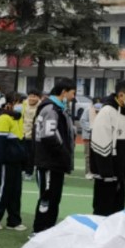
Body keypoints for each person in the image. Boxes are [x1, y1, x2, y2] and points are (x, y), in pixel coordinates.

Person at [31, 80, 77, 233]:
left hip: (55, 161)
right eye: (72, 93)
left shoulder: (60, 108)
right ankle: (39, 230)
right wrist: (64, 152)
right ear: (64, 92)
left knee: (54, 197)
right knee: (47, 197)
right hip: (49, 161)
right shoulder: (51, 108)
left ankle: (49, 229)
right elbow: (49, 135)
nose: (73, 97)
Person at [90, 82, 125, 216]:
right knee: (103, 209)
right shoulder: (107, 111)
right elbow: (100, 141)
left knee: (118, 209)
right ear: (121, 95)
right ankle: (99, 236)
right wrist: (106, 171)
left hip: (120, 172)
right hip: (107, 173)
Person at [0, 97, 28, 231]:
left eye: (22, 102)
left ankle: (14, 221)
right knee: (3, 191)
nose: (21, 105)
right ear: (10, 104)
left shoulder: (18, 118)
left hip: (16, 161)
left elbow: (21, 141)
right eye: (18, 102)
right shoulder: (3, 118)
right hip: (6, 162)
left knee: (16, 192)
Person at [20, 90, 41, 180]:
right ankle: (22, 170)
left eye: (34, 96)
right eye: (30, 96)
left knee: (31, 155)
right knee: (21, 153)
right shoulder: (23, 104)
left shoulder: (41, 106)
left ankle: (29, 172)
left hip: (34, 134)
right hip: (22, 132)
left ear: (38, 97)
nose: (32, 98)